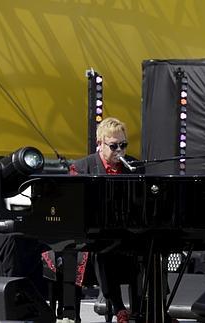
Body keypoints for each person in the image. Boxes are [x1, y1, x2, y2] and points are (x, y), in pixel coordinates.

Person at [69, 117, 139, 323]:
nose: (120, 151)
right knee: (103, 250)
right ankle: (119, 309)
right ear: (100, 144)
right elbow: (74, 206)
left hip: (126, 235)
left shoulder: (134, 166)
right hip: (93, 238)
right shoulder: (82, 167)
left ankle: (153, 308)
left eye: (123, 145)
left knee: (151, 251)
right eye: (114, 146)